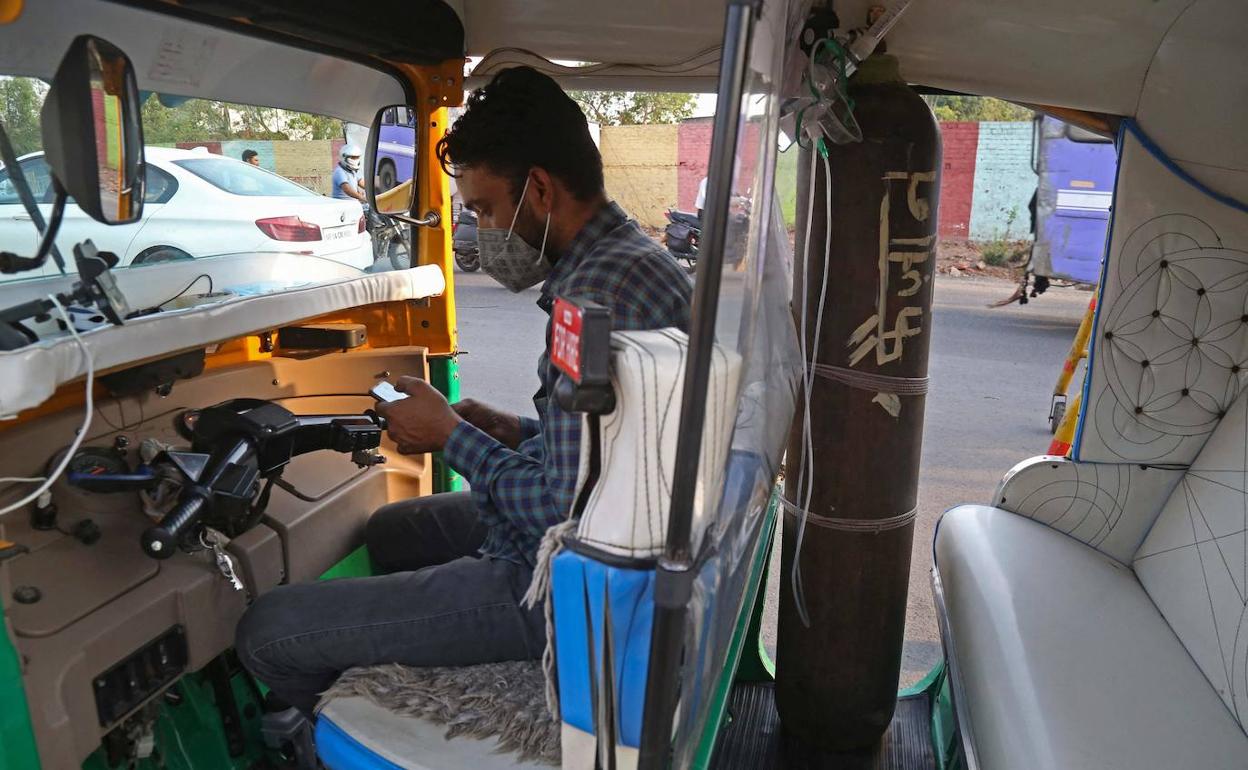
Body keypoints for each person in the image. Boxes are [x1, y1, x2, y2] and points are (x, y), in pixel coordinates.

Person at [235, 66, 694, 715]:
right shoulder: (637, 262)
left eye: (482, 209)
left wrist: (452, 437)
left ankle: (328, 731)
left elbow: (559, 515)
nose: (480, 229)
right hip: (623, 539)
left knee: (269, 629)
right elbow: (615, 448)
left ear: (538, 189)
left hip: (562, 591)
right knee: (394, 531)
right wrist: (513, 431)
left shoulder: (593, 301)